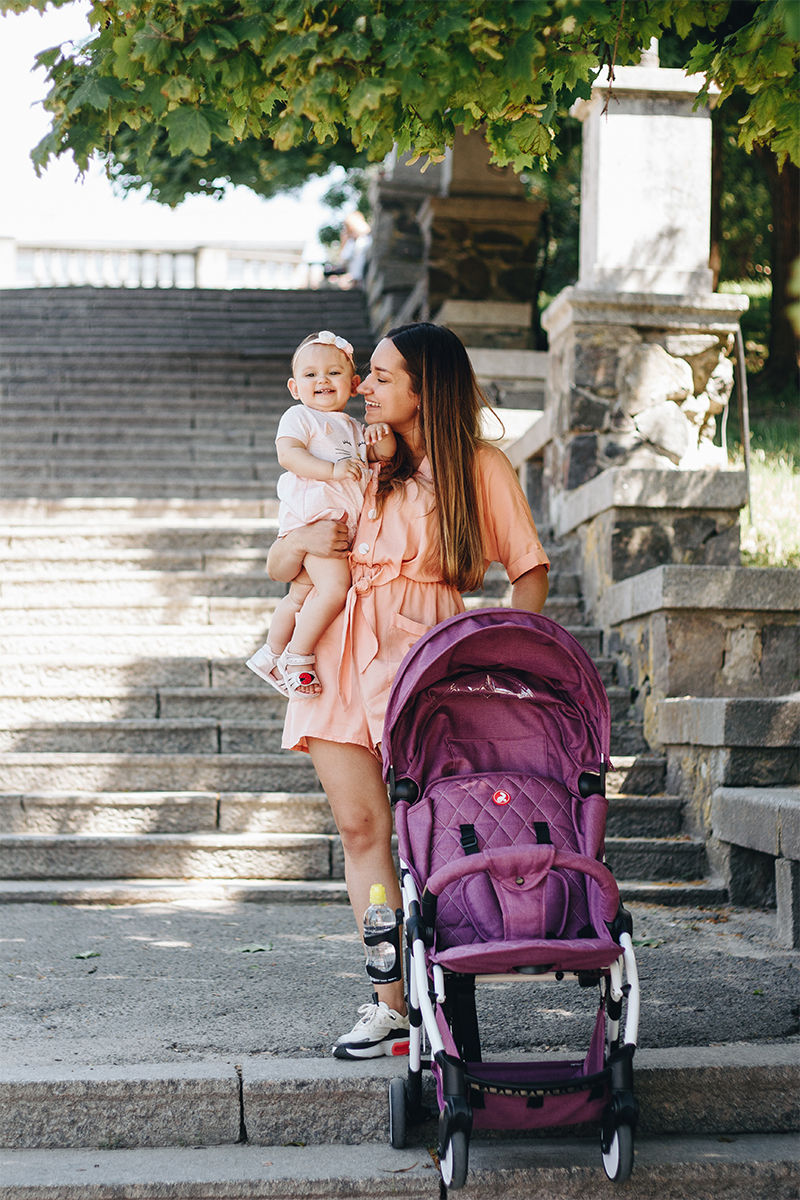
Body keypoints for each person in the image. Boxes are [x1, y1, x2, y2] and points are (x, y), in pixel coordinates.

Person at [267, 323, 550, 1058]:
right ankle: (388, 1001)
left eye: (383, 376)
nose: (362, 385)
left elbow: (529, 568)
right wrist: (299, 546)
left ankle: (450, 985)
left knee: (435, 830)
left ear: (427, 389)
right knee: (362, 831)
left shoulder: (477, 467)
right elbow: (279, 558)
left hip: (424, 657)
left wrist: (509, 662)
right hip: (334, 652)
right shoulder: (347, 453)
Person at [247, 331, 395, 696]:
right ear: (295, 387)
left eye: (333, 373)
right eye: (311, 375)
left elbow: (383, 454)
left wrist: (381, 433)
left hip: (337, 525)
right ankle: (297, 656)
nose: (323, 381)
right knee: (334, 589)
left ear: (354, 384)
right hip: (314, 520)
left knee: (299, 596)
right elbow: (289, 455)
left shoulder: (353, 428)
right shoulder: (300, 417)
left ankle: (269, 654)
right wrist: (331, 471)